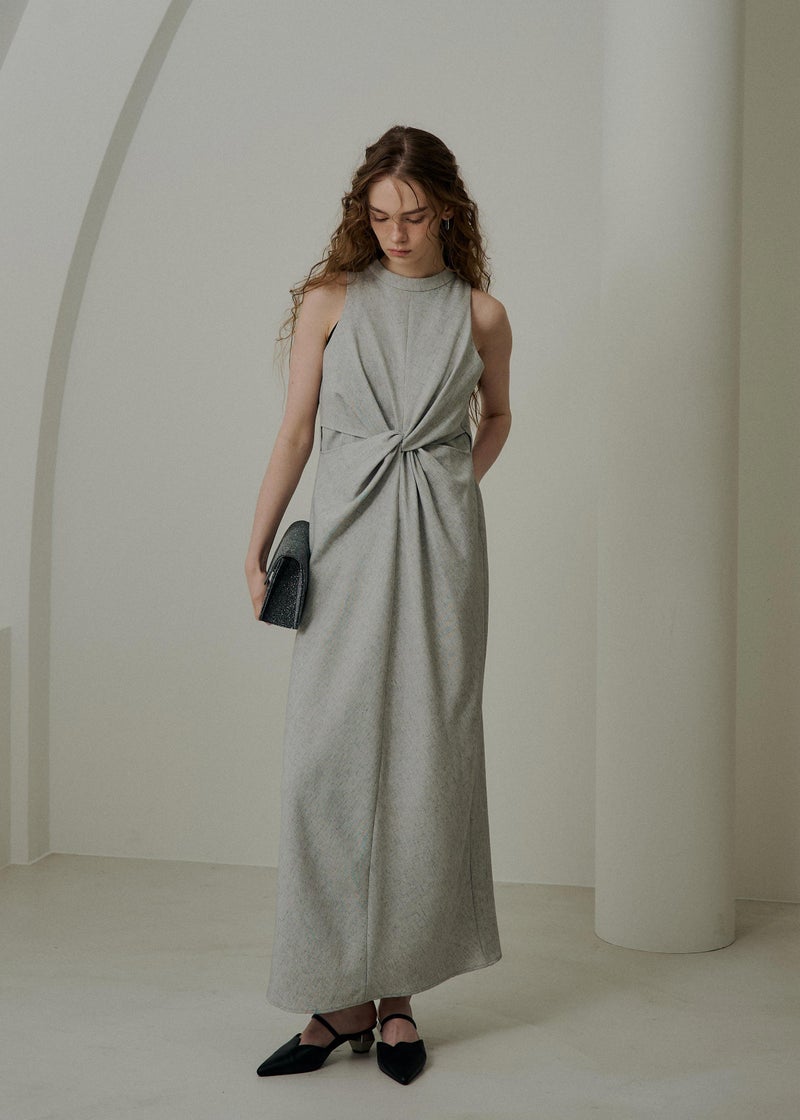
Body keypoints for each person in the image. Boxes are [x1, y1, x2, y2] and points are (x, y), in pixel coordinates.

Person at [244, 124, 512, 1086]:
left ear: (448, 211)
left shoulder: (480, 315)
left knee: (425, 763)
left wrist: (451, 485)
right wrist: (256, 542)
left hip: (443, 554)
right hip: (347, 547)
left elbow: (498, 416)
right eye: (381, 215)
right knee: (326, 765)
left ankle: (395, 998)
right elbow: (296, 431)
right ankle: (335, 996)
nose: (396, 233)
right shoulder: (332, 300)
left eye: (415, 215)